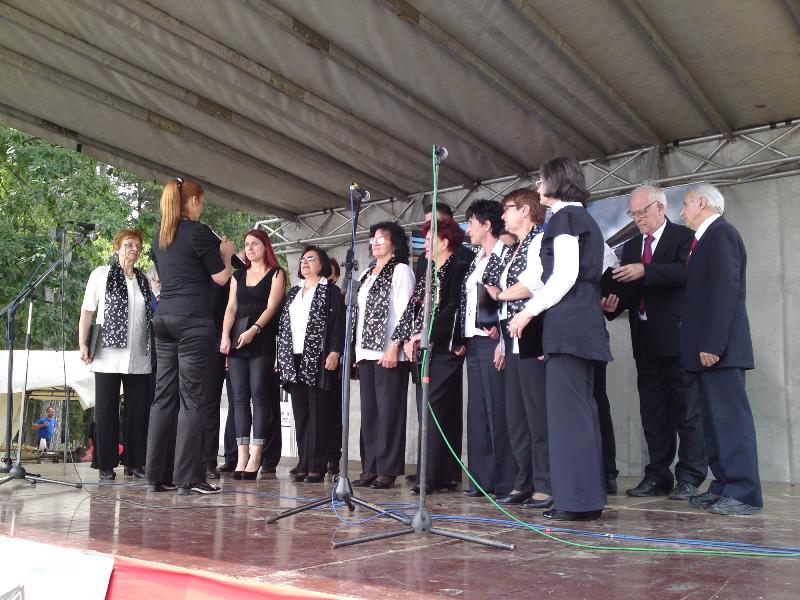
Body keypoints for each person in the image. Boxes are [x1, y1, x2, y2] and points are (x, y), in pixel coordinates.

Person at [510, 157, 612, 521]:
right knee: (578, 413)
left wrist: (528, 312)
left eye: (541, 180)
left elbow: (565, 275)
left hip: (570, 326)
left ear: (556, 181)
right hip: (579, 326)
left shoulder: (566, 218)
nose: (538, 187)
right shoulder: (579, 218)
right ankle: (580, 497)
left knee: (570, 416)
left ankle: (577, 501)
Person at [602, 185, 706, 500]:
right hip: (644, 339)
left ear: (660, 207)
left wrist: (645, 270)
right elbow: (630, 289)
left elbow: (685, 273)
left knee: (687, 411)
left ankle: (689, 477)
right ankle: (658, 475)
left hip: (677, 337)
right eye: (633, 214)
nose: (638, 219)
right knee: (653, 412)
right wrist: (612, 305)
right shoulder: (633, 245)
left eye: (642, 212)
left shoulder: (683, 237)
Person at [146, 177, 235, 495]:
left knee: (163, 397)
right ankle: (189, 478)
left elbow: (163, 277)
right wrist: (226, 254)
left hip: (164, 319)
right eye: (202, 203)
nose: (202, 208)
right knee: (192, 398)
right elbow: (221, 278)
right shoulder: (198, 232)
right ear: (193, 201)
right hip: (193, 321)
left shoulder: (159, 236)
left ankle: (156, 476)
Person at [679, 184, 761, 515]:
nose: (682, 211)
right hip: (707, 351)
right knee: (714, 425)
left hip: (720, 351)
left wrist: (712, 343)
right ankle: (725, 485)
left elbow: (725, 291)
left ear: (702, 202)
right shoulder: (704, 240)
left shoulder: (722, 234)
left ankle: (744, 492)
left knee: (730, 422)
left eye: (686, 204)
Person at [484, 188, 551, 508]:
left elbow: (533, 284)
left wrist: (500, 295)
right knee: (516, 415)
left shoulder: (540, 239)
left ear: (525, 210)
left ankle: (545, 483)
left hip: (533, 332)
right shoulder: (514, 247)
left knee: (537, 414)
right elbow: (490, 279)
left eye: (507, 209)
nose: (503, 215)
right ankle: (524, 481)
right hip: (511, 337)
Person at [393, 218, 469, 494]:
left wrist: (425, 334)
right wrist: (405, 338)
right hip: (424, 349)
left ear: (445, 242)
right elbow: (414, 307)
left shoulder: (457, 268)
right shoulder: (428, 270)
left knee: (435, 409)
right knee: (429, 409)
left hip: (444, 347)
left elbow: (453, 309)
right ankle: (441, 474)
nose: (424, 244)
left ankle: (430, 475)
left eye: (429, 239)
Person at [79, 228, 153, 481]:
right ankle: (105, 464)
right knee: (106, 411)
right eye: (129, 244)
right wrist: (83, 343)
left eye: (138, 246)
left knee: (137, 411)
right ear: (117, 248)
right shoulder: (101, 274)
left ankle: (135, 462)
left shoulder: (143, 280)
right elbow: (88, 310)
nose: (134, 249)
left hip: (139, 355)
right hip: (107, 354)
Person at [459, 200, 516, 498]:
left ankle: (507, 480)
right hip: (473, 339)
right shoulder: (476, 258)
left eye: (471, 223)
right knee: (478, 411)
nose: (468, 229)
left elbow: (509, 297)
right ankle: (481, 480)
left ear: (487, 225)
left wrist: (503, 340)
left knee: (498, 408)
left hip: (494, 339)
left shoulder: (506, 254)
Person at [353, 221, 415, 489]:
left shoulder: (400, 270)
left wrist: (394, 346)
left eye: (382, 237)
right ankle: (370, 467)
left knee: (389, 412)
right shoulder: (366, 273)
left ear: (395, 243)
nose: (375, 242)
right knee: (370, 413)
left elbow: (405, 311)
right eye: (373, 238)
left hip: (389, 351)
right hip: (365, 352)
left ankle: (387, 470)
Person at [220, 229, 285, 480]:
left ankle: (257, 455)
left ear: (265, 246)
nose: (249, 248)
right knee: (238, 398)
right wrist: (225, 336)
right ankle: (242, 455)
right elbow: (231, 307)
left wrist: (254, 330)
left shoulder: (276, 273)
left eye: (255, 243)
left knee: (259, 396)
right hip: (238, 340)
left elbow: (272, 307)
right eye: (246, 244)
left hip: (261, 340)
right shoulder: (238, 275)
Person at [277, 246, 344, 482]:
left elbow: (338, 324)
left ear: (322, 263)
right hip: (293, 357)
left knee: (319, 413)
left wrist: (335, 351)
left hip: (317, 357)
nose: (305, 262)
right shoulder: (294, 292)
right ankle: (304, 462)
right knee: (301, 413)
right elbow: (284, 326)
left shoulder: (331, 291)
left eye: (311, 258)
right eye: (303, 259)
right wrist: (280, 357)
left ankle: (317, 466)